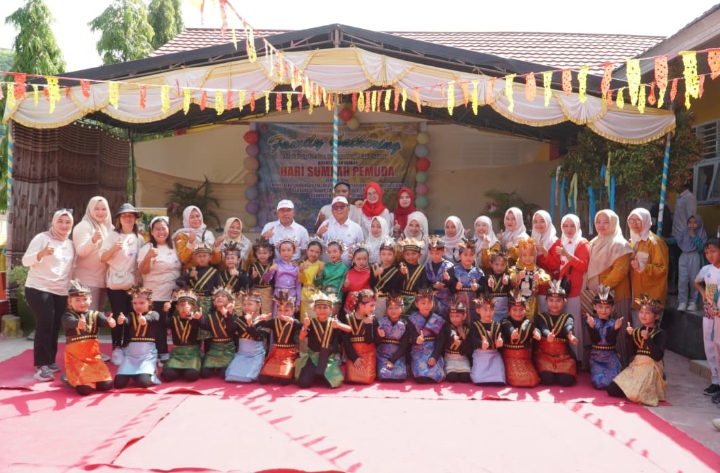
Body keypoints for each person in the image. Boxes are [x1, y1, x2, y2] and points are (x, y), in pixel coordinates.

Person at [23, 209, 75, 381]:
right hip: (39, 288)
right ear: (53, 222)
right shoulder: (42, 238)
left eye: (67, 222)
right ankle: (41, 366)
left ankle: (50, 360)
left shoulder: (70, 244)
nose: (64, 225)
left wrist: (71, 290)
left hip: (60, 290)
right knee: (44, 324)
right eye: (60, 221)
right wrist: (41, 254)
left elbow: (69, 269)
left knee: (54, 326)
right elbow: (25, 260)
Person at [585, 209, 633, 366]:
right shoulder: (594, 242)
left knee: (618, 328)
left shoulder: (620, 244)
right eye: (598, 222)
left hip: (615, 293)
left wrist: (603, 288)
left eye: (606, 222)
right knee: (596, 329)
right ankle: (596, 363)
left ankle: (622, 363)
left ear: (613, 223)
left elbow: (620, 271)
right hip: (596, 293)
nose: (601, 225)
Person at [100, 203, 143, 366]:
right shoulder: (112, 235)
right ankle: (117, 347)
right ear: (119, 218)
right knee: (119, 315)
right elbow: (102, 258)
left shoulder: (139, 238)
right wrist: (113, 249)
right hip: (115, 283)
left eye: (131, 215)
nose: (128, 218)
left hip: (133, 284)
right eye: (125, 215)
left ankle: (128, 345)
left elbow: (141, 260)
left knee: (132, 315)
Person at [606, 295, 667, 407]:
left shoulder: (660, 333)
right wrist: (629, 336)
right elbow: (631, 353)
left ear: (657, 316)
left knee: (636, 395)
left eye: (647, 313)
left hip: (651, 368)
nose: (643, 315)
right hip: (636, 367)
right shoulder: (637, 331)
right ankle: (633, 387)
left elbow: (658, 356)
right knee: (611, 389)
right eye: (641, 312)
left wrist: (648, 339)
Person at [546, 214, 590, 367]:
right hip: (560, 289)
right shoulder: (559, 242)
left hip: (575, 289)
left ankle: (577, 359)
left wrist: (567, 255)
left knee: (574, 323)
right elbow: (554, 265)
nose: (569, 229)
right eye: (565, 226)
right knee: (560, 323)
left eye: (572, 226)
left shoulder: (582, 244)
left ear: (578, 227)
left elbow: (583, 266)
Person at [138, 216, 181, 364]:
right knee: (159, 324)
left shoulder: (174, 246)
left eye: (164, 228)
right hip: (156, 293)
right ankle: (161, 352)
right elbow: (143, 270)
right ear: (151, 231)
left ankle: (178, 351)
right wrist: (148, 257)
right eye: (157, 229)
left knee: (173, 323)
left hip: (174, 294)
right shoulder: (147, 248)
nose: (161, 232)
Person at [61, 280, 115, 395]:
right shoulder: (67, 315)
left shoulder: (95, 314)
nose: (82, 303)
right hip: (76, 358)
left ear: (90, 299)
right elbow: (69, 322)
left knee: (106, 385)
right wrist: (78, 323)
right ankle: (69, 378)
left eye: (85, 299)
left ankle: (89, 379)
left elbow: (104, 322)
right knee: (84, 390)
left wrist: (110, 322)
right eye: (77, 300)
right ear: (70, 301)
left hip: (93, 357)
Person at [295, 291, 351, 389]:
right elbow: (301, 338)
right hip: (313, 357)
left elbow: (349, 329)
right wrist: (305, 326)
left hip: (328, 358)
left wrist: (338, 325)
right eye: (319, 308)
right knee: (303, 384)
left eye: (325, 308)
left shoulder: (333, 322)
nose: (322, 310)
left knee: (336, 383)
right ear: (314, 309)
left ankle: (320, 375)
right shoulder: (311, 322)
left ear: (331, 309)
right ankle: (317, 374)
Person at [627, 208, 669, 326]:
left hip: (651, 298)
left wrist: (642, 266)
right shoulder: (632, 241)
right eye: (631, 220)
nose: (634, 224)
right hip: (636, 296)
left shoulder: (655, 242)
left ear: (646, 221)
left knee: (650, 332)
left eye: (638, 220)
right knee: (638, 332)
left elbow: (662, 269)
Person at [114, 286, 162, 389]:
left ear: (150, 302)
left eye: (141, 303)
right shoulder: (131, 315)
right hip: (131, 355)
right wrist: (122, 320)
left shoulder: (154, 314)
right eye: (135, 303)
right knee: (118, 384)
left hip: (147, 355)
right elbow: (127, 320)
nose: (138, 306)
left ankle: (149, 371)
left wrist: (144, 319)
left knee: (143, 383)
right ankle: (134, 373)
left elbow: (151, 318)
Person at [533, 280, 578, 386]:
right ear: (546, 301)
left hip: (563, 357)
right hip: (544, 355)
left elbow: (568, 326)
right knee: (547, 378)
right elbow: (543, 327)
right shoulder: (541, 317)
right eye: (551, 300)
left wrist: (570, 335)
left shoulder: (567, 317)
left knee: (566, 380)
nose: (554, 304)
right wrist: (547, 334)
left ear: (564, 301)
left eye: (558, 300)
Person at [71, 197, 112, 312]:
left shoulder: (109, 228)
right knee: (88, 316)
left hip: (103, 280)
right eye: (96, 209)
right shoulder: (84, 226)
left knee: (97, 316)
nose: (100, 212)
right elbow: (81, 252)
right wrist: (93, 240)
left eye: (104, 209)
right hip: (87, 280)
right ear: (90, 210)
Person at [257, 290, 302, 385]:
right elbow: (262, 324)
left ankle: (289, 371)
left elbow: (301, 327)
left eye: (286, 310)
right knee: (262, 380)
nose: (283, 313)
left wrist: (292, 321)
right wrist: (261, 318)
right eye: (280, 310)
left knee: (284, 381)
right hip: (276, 354)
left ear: (293, 310)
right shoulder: (274, 321)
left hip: (288, 355)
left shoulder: (294, 322)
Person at [694, 238, 720, 398]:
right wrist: (704, 294)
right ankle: (715, 380)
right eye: (707, 252)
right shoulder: (707, 269)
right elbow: (698, 282)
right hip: (710, 311)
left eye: (713, 251)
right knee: (710, 345)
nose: (710, 255)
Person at [501, 289, 541, 387]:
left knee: (532, 379)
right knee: (517, 380)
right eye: (514, 310)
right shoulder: (505, 321)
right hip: (509, 357)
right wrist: (512, 333)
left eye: (521, 309)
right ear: (508, 311)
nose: (518, 313)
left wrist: (537, 334)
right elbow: (508, 327)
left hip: (525, 357)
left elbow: (534, 330)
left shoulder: (528, 323)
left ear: (526, 309)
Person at [225, 289, 267, 384]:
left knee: (248, 377)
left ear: (258, 306)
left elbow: (257, 336)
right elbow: (230, 331)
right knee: (230, 375)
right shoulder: (240, 319)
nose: (246, 307)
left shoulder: (262, 320)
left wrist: (250, 324)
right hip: (242, 354)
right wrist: (229, 314)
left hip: (255, 355)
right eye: (244, 304)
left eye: (250, 304)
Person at [585, 285, 622, 390]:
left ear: (613, 308)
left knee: (614, 383)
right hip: (596, 357)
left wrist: (615, 329)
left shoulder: (614, 322)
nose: (603, 310)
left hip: (610, 357)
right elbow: (595, 340)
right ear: (594, 307)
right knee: (599, 383)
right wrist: (591, 327)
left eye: (607, 307)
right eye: (600, 307)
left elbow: (610, 340)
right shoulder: (592, 321)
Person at [160, 289, 203, 383]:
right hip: (177, 354)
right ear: (177, 307)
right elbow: (163, 323)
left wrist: (191, 316)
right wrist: (165, 311)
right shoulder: (173, 319)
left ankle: (186, 370)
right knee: (167, 375)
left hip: (192, 354)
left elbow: (197, 325)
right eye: (182, 305)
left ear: (193, 308)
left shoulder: (195, 319)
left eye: (188, 305)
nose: (184, 308)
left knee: (191, 375)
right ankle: (178, 370)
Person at [407, 287, 446, 383]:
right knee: (421, 377)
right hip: (418, 351)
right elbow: (411, 336)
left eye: (429, 303)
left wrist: (434, 356)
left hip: (433, 349)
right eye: (423, 303)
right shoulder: (412, 319)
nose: (426, 306)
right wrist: (417, 340)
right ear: (417, 304)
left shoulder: (437, 319)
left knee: (436, 376)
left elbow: (440, 340)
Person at [340, 289, 378, 384]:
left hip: (368, 353)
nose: (374, 308)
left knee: (367, 379)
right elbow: (346, 341)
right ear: (361, 305)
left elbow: (370, 341)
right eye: (371, 305)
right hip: (353, 354)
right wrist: (354, 358)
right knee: (351, 378)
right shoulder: (348, 318)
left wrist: (368, 326)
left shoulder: (373, 319)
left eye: (374, 305)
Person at [508, 238, 551, 321]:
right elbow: (511, 279)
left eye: (531, 255)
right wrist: (518, 277)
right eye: (524, 255)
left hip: (533, 303)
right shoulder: (514, 269)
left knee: (532, 323)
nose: (528, 258)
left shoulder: (537, 270)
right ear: (520, 255)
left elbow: (547, 278)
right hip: (517, 305)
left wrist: (539, 277)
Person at [199, 286, 237, 379]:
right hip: (214, 350)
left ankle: (222, 367)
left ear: (229, 301)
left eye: (223, 296)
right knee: (204, 374)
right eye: (217, 296)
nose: (220, 298)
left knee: (224, 374)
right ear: (214, 302)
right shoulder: (210, 316)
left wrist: (228, 316)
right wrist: (197, 319)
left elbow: (232, 330)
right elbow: (204, 326)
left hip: (228, 349)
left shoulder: (233, 316)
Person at [469, 293, 506, 385]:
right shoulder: (474, 325)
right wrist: (481, 343)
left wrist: (500, 342)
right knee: (478, 377)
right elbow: (472, 339)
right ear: (478, 310)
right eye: (485, 310)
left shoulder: (497, 325)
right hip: (480, 354)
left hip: (494, 354)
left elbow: (501, 337)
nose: (488, 313)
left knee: (499, 376)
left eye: (491, 310)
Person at [446, 239, 485, 323]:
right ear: (460, 256)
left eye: (471, 255)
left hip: (474, 308)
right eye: (465, 255)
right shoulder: (453, 270)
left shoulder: (479, 272)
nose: (468, 257)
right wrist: (456, 287)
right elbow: (449, 289)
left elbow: (484, 289)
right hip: (458, 309)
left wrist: (478, 287)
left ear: (475, 256)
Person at [317, 196, 364, 266]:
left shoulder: (356, 228)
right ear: (332, 211)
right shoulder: (325, 224)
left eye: (342, 207)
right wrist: (319, 234)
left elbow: (362, 250)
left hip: (348, 269)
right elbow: (315, 245)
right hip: (327, 270)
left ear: (348, 209)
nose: (339, 209)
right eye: (335, 207)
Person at [375, 294, 410, 381]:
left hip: (397, 355)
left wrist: (392, 360)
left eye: (396, 308)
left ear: (402, 309)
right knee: (383, 374)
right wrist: (379, 336)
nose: (393, 311)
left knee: (401, 375)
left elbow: (404, 345)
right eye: (390, 308)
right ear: (386, 309)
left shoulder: (405, 325)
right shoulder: (380, 322)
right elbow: (375, 342)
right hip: (382, 354)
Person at [532, 210, 560, 313]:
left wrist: (544, 252)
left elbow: (555, 266)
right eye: (535, 221)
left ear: (548, 222)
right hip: (533, 288)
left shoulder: (555, 242)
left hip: (548, 288)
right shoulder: (532, 240)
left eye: (542, 221)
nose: (538, 224)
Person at [677, 214, 707, 311]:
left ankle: (694, 302)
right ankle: (682, 302)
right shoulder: (684, 232)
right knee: (682, 280)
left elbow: (702, 247)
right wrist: (665, 240)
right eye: (690, 222)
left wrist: (694, 236)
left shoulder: (702, 233)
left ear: (699, 223)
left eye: (695, 222)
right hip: (683, 256)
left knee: (694, 280)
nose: (692, 224)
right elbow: (676, 239)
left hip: (695, 256)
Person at [267, 237, 302, 317]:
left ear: (294, 251)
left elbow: (298, 285)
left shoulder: (296, 267)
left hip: (291, 294)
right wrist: (270, 270)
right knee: (277, 316)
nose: (286, 253)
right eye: (283, 250)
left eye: (289, 250)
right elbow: (266, 280)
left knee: (289, 317)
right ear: (279, 251)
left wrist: (298, 303)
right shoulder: (276, 265)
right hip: (278, 294)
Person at [173, 205, 216, 270]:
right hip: (190, 272)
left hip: (208, 271)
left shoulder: (209, 234)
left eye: (198, 216)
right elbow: (182, 259)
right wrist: (190, 243)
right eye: (192, 217)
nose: (196, 219)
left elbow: (215, 260)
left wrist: (217, 248)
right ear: (186, 219)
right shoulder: (182, 235)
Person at [314, 239, 348, 315]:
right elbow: (317, 284)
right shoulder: (325, 266)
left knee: (332, 318)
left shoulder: (345, 268)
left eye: (335, 251)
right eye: (329, 252)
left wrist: (338, 301)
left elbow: (342, 287)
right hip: (323, 296)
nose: (332, 254)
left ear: (341, 252)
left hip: (335, 297)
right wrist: (319, 272)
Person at [370, 237, 402, 318]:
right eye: (383, 254)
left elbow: (395, 289)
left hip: (387, 301)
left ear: (394, 255)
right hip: (373, 300)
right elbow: (370, 285)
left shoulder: (395, 271)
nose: (386, 257)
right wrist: (375, 274)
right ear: (379, 255)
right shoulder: (374, 267)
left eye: (389, 254)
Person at [398, 238, 430, 314]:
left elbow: (424, 285)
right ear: (403, 255)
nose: (410, 257)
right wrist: (401, 274)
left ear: (420, 255)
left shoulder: (422, 269)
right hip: (399, 300)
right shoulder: (399, 267)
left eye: (413, 254)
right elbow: (395, 284)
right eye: (407, 254)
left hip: (415, 301)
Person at [425, 236, 454, 320]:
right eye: (432, 253)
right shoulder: (427, 266)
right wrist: (433, 285)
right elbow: (424, 283)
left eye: (437, 253)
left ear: (444, 251)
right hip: (431, 302)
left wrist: (448, 280)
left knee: (444, 321)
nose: (434, 256)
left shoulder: (449, 266)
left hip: (446, 301)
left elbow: (453, 286)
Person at [443, 299, 472, 383]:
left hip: (463, 358)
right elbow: (450, 333)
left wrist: (464, 336)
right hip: (450, 357)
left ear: (464, 316)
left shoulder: (467, 329)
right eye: (451, 316)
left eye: (457, 316)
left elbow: (469, 349)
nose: (454, 319)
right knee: (452, 377)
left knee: (465, 378)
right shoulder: (447, 327)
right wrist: (454, 337)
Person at [298, 238, 325, 322]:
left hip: (317, 294)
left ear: (320, 253)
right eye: (311, 251)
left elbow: (321, 283)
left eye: (317, 252)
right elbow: (301, 280)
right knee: (305, 318)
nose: (313, 254)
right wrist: (301, 270)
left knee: (316, 318)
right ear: (307, 251)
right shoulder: (303, 264)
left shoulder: (322, 265)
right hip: (305, 293)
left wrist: (320, 272)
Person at [342, 245, 373, 313]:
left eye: (364, 259)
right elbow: (345, 290)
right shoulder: (349, 272)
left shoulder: (371, 273)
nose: (361, 261)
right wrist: (345, 286)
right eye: (358, 259)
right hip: (351, 301)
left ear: (368, 259)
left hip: (365, 301)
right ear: (353, 259)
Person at [249, 238, 275, 315]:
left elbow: (275, 280)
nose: (262, 255)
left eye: (264, 253)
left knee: (267, 311)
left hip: (268, 291)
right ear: (256, 254)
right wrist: (252, 277)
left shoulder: (272, 265)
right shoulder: (253, 265)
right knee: (255, 311)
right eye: (259, 253)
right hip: (255, 291)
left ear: (270, 253)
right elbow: (249, 281)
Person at [486, 250, 512, 323]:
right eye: (496, 264)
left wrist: (507, 283)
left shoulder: (508, 277)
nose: (499, 267)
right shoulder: (488, 277)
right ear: (491, 264)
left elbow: (510, 292)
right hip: (492, 309)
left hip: (504, 309)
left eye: (502, 264)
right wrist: (488, 284)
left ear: (506, 264)